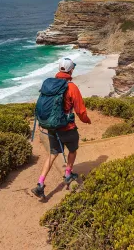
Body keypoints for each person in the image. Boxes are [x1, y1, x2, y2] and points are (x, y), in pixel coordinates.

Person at [32, 57, 91, 198]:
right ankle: (68, 174)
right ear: (71, 70)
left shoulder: (50, 85)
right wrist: (86, 120)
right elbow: (80, 110)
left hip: (52, 127)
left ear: (59, 69)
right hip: (67, 128)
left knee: (52, 155)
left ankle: (40, 184)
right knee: (73, 150)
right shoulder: (71, 87)